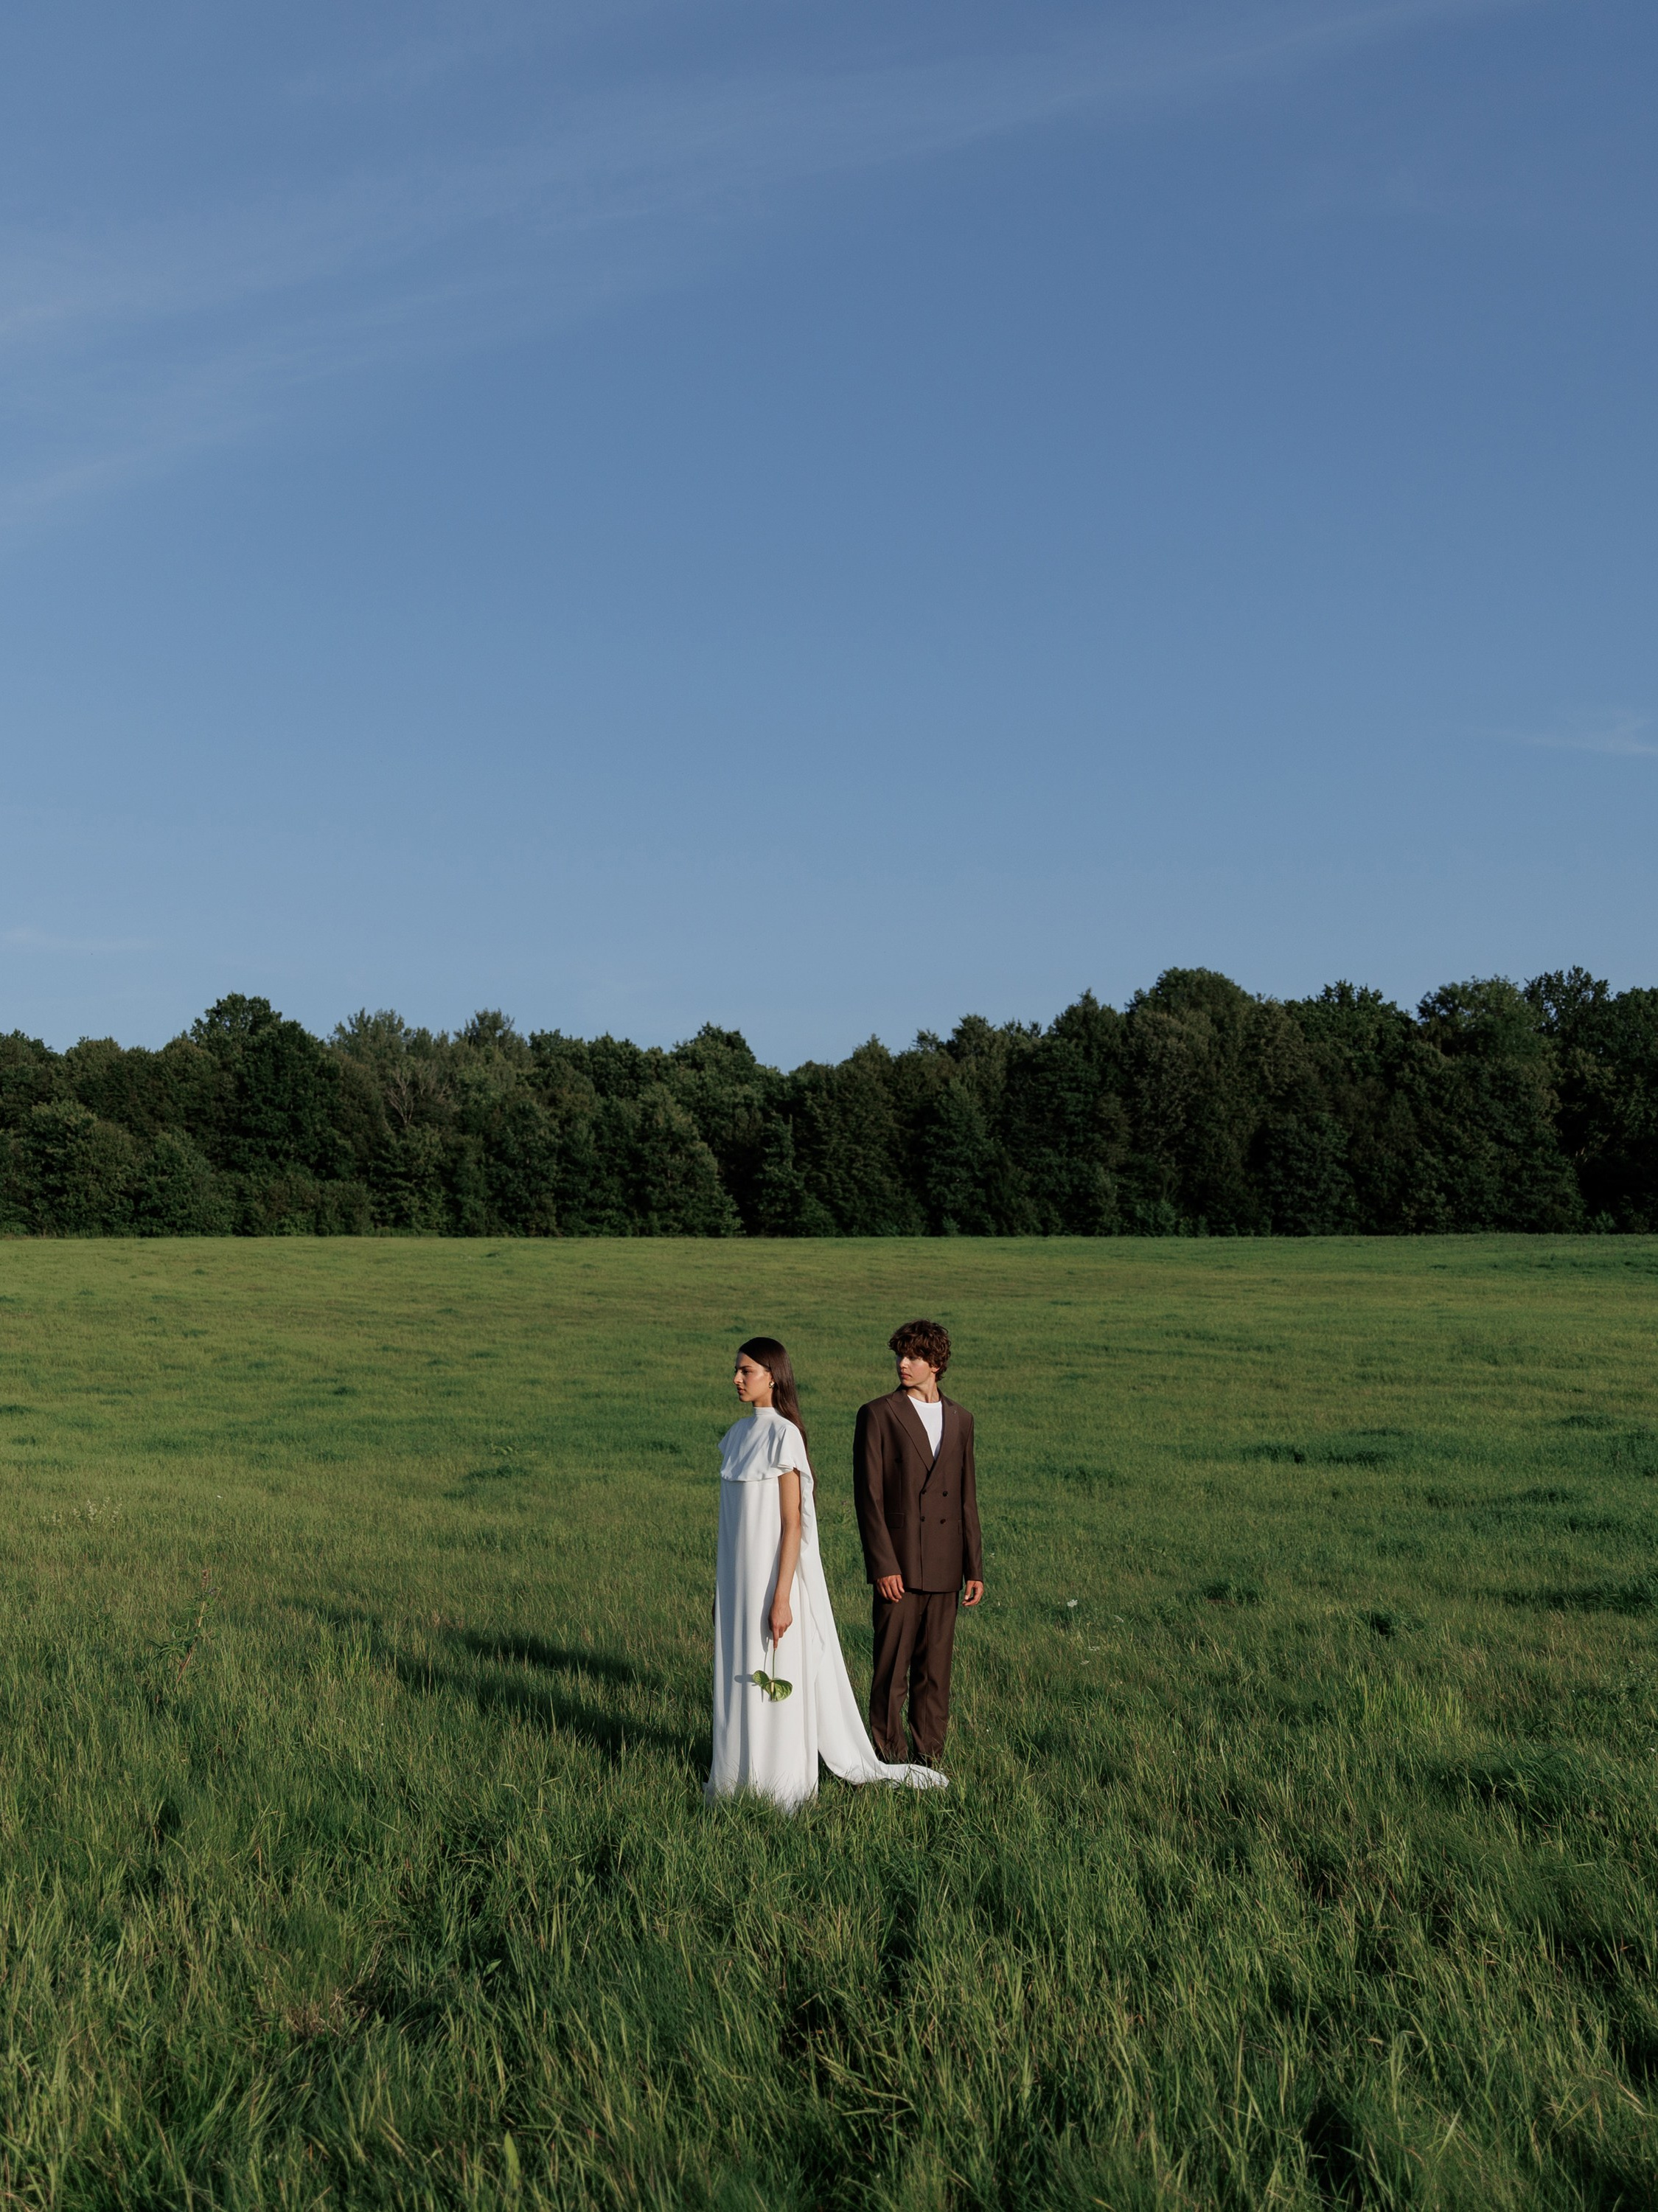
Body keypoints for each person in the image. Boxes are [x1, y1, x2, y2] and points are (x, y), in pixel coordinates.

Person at [707, 1336, 947, 1810]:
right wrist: (722, 1592)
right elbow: (731, 1529)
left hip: (774, 1583)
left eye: (746, 1371)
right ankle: (737, 1779)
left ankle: (780, 1787)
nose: (736, 1379)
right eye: (736, 1370)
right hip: (738, 1586)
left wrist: (782, 1598)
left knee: (774, 1677)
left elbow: (792, 1523)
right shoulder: (735, 1437)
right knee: (738, 1677)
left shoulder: (784, 1436)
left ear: (773, 1377)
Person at [852, 1319, 984, 1770]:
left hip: (946, 1566)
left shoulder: (961, 1419)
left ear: (936, 1363)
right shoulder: (878, 1414)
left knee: (935, 1674)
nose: (902, 1364)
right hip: (900, 1567)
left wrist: (974, 1568)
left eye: (913, 1356)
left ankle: (930, 1762)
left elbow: (967, 1498)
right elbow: (868, 1498)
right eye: (900, 1355)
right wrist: (883, 1565)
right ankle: (888, 1761)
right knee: (891, 1672)